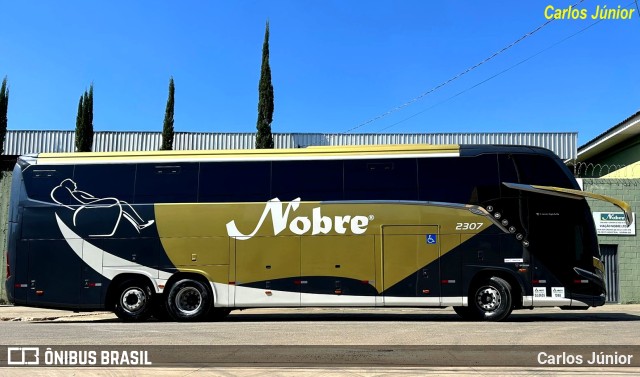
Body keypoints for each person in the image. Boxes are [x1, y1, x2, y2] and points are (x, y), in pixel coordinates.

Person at [50, 178, 154, 237]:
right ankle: (140, 223)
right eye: (73, 182)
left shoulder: (77, 192)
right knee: (119, 203)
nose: (75, 183)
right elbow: (85, 202)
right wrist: (104, 201)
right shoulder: (74, 194)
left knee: (121, 203)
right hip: (85, 212)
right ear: (68, 185)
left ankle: (140, 223)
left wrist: (103, 201)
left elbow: (91, 199)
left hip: (90, 209)